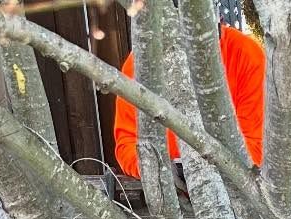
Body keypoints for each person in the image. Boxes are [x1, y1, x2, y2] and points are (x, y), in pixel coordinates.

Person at [113, 21, 265, 177]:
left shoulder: (245, 54)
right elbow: (127, 145)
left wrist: (203, 170)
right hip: (169, 190)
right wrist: (161, 172)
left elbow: (257, 147)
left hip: (236, 190)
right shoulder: (140, 65)